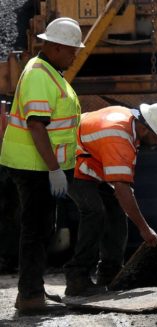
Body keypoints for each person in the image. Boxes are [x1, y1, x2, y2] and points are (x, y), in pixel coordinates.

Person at [0, 17, 84, 313]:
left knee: (39, 229)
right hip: (34, 167)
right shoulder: (39, 75)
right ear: (58, 47)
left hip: (39, 166)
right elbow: (37, 126)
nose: (76, 55)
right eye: (73, 50)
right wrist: (53, 168)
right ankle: (30, 297)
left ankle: (33, 291)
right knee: (35, 230)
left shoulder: (48, 72)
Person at [63, 103, 157, 296]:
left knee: (116, 211)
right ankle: (77, 278)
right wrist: (144, 228)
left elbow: (121, 189)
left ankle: (111, 275)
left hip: (88, 161)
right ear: (144, 128)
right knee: (94, 211)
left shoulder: (129, 120)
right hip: (68, 163)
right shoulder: (118, 136)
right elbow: (122, 189)